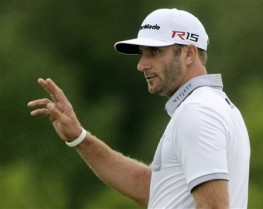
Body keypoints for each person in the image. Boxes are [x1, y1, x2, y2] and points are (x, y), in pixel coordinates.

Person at [28, 8, 250, 209]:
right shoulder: (211, 106)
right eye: (142, 53)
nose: (141, 64)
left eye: (154, 52)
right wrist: (79, 137)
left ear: (188, 54)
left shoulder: (198, 112)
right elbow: (148, 187)